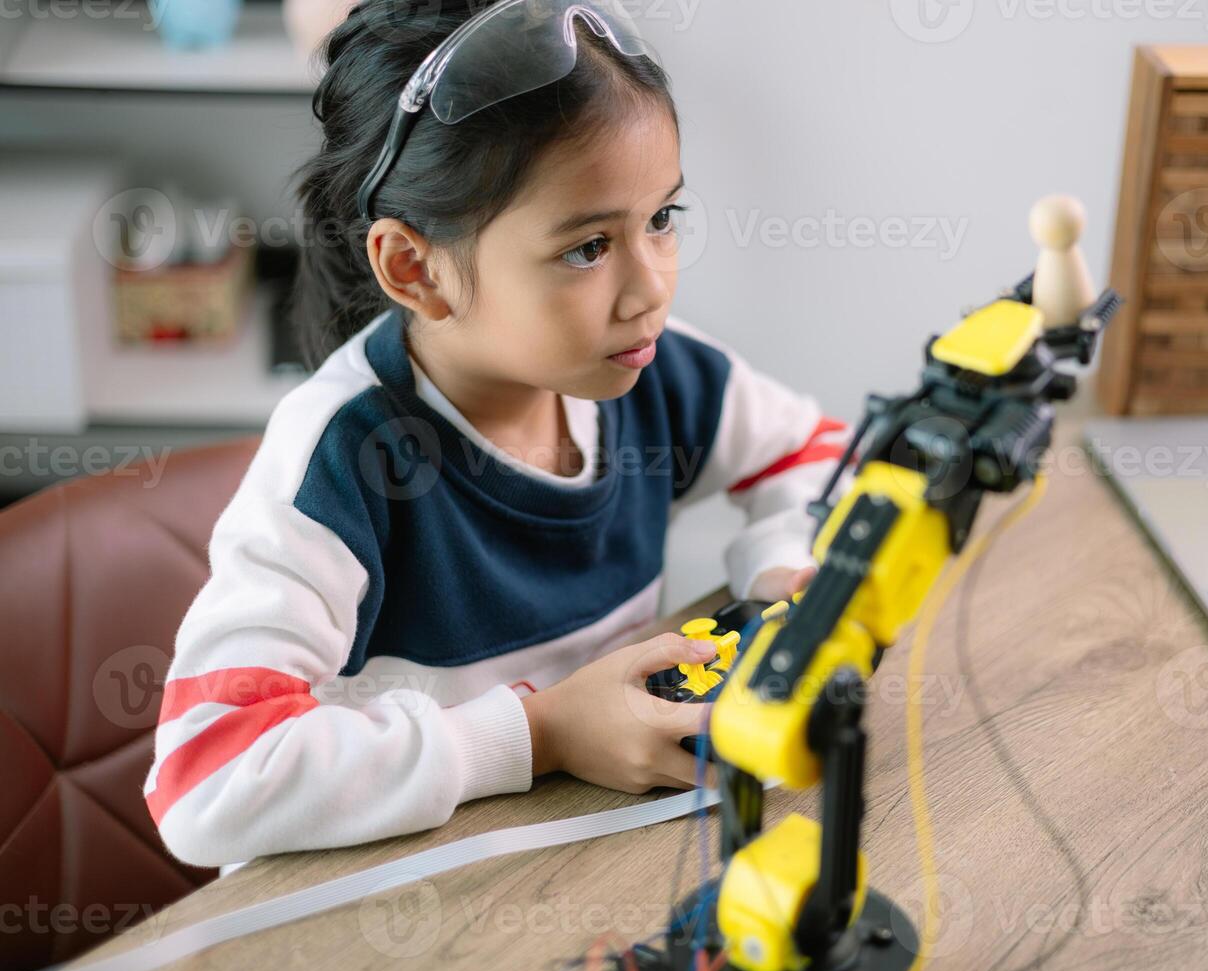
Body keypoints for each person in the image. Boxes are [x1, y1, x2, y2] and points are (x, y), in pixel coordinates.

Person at [145, 0, 853, 868]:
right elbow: (203, 775)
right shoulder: (341, 458)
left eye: (661, 220)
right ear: (417, 269)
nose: (651, 290)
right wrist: (541, 733)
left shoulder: (646, 367)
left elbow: (818, 455)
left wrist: (782, 573)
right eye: (588, 247)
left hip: (585, 864)